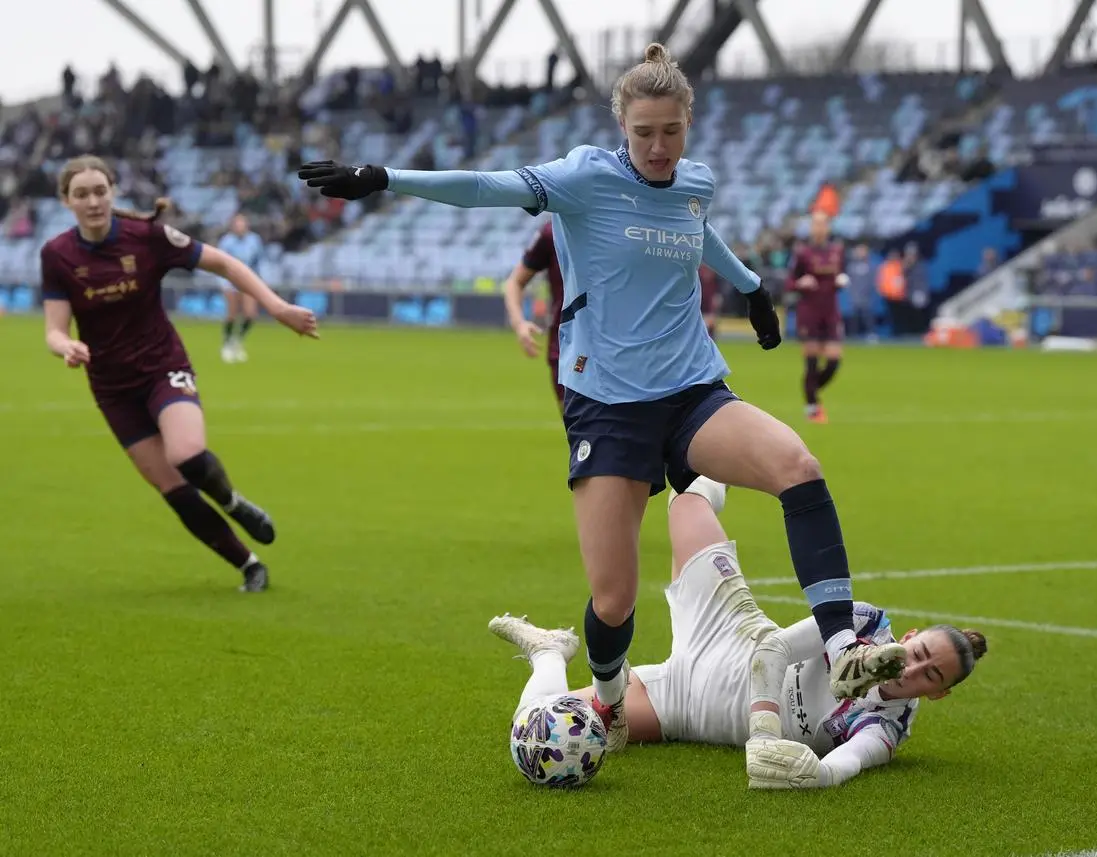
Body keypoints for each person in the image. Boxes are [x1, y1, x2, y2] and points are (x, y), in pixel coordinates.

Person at [299, 42, 906, 755]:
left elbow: (695, 229)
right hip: (608, 406)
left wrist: (751, 286)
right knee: (614, 600)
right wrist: (382, 177)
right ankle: (610, 699)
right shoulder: (584, 177)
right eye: (644, 132)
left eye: (671, 131)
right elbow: (484, 185)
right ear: (623, 126)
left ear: (688, 124)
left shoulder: (694, 181)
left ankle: (842, 651)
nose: (658, 146)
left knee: (798, 466)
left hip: (691, 391)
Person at [489, 475, 988, 789]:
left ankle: (549, 654)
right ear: (913, 633)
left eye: (930, 674)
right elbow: (771, 648)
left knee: (537, 730)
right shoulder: (864, 622)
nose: (915, 667)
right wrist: (766, 733)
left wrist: (813, 774)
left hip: (686, 707)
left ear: (938, 694)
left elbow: (846, 765)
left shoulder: (886, 725)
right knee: (686, 501)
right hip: (729, 633)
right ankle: (708, 449)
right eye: (920, 651)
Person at [40, 155, 319, 592]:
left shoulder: (147, 238)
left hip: (161, 367)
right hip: (112, 388)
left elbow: (225, 264)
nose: (93, 201)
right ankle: (249, 565)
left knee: (187, 454)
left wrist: (277, 306)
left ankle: (232, 501)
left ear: (112, 192)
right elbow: (54, 330)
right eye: (82, 194)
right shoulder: (57, 255)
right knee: (173, 488)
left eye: (100, 191)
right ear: (65, 202)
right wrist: (66, 347)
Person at [787, 211, 848, 423]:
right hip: (809, 311)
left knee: (833, 361)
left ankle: (810, 391)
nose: (819, 228)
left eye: (823, 224)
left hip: (830, 311)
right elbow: (790, 282)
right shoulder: (803, 253)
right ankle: (812, 407)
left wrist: (841, 280)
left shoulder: (837, 251)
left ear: (828, 228)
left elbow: (842, 273)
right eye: (815, 224)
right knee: (811, 362)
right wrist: (800, 283)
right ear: (811, 228)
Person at [501, 220, 565, 410]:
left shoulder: (624, 225)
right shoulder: (552, 231)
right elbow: (515, 282)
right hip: (565, 349)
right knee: (580, 435)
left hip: (620, 349)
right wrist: (519, 323)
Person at [217, 213, 266, 363]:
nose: (240, 227)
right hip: (230, 280)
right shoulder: (227, 241)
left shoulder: (254, 240)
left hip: (249, 280)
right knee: (231, 314)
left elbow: (258, 261)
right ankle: (226, 343)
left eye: (242, 223)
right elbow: (220, 262)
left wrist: (260, 280)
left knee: (250, 314)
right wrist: (223, 282)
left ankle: (238, 340)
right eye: (237, 224)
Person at [698, 263, 723, 340]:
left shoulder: (715, 272)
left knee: (711, 323)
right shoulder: (698, 272)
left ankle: (711, 340)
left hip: (710, 304)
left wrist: (718, 296)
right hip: (700, 303)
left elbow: (719, 288)